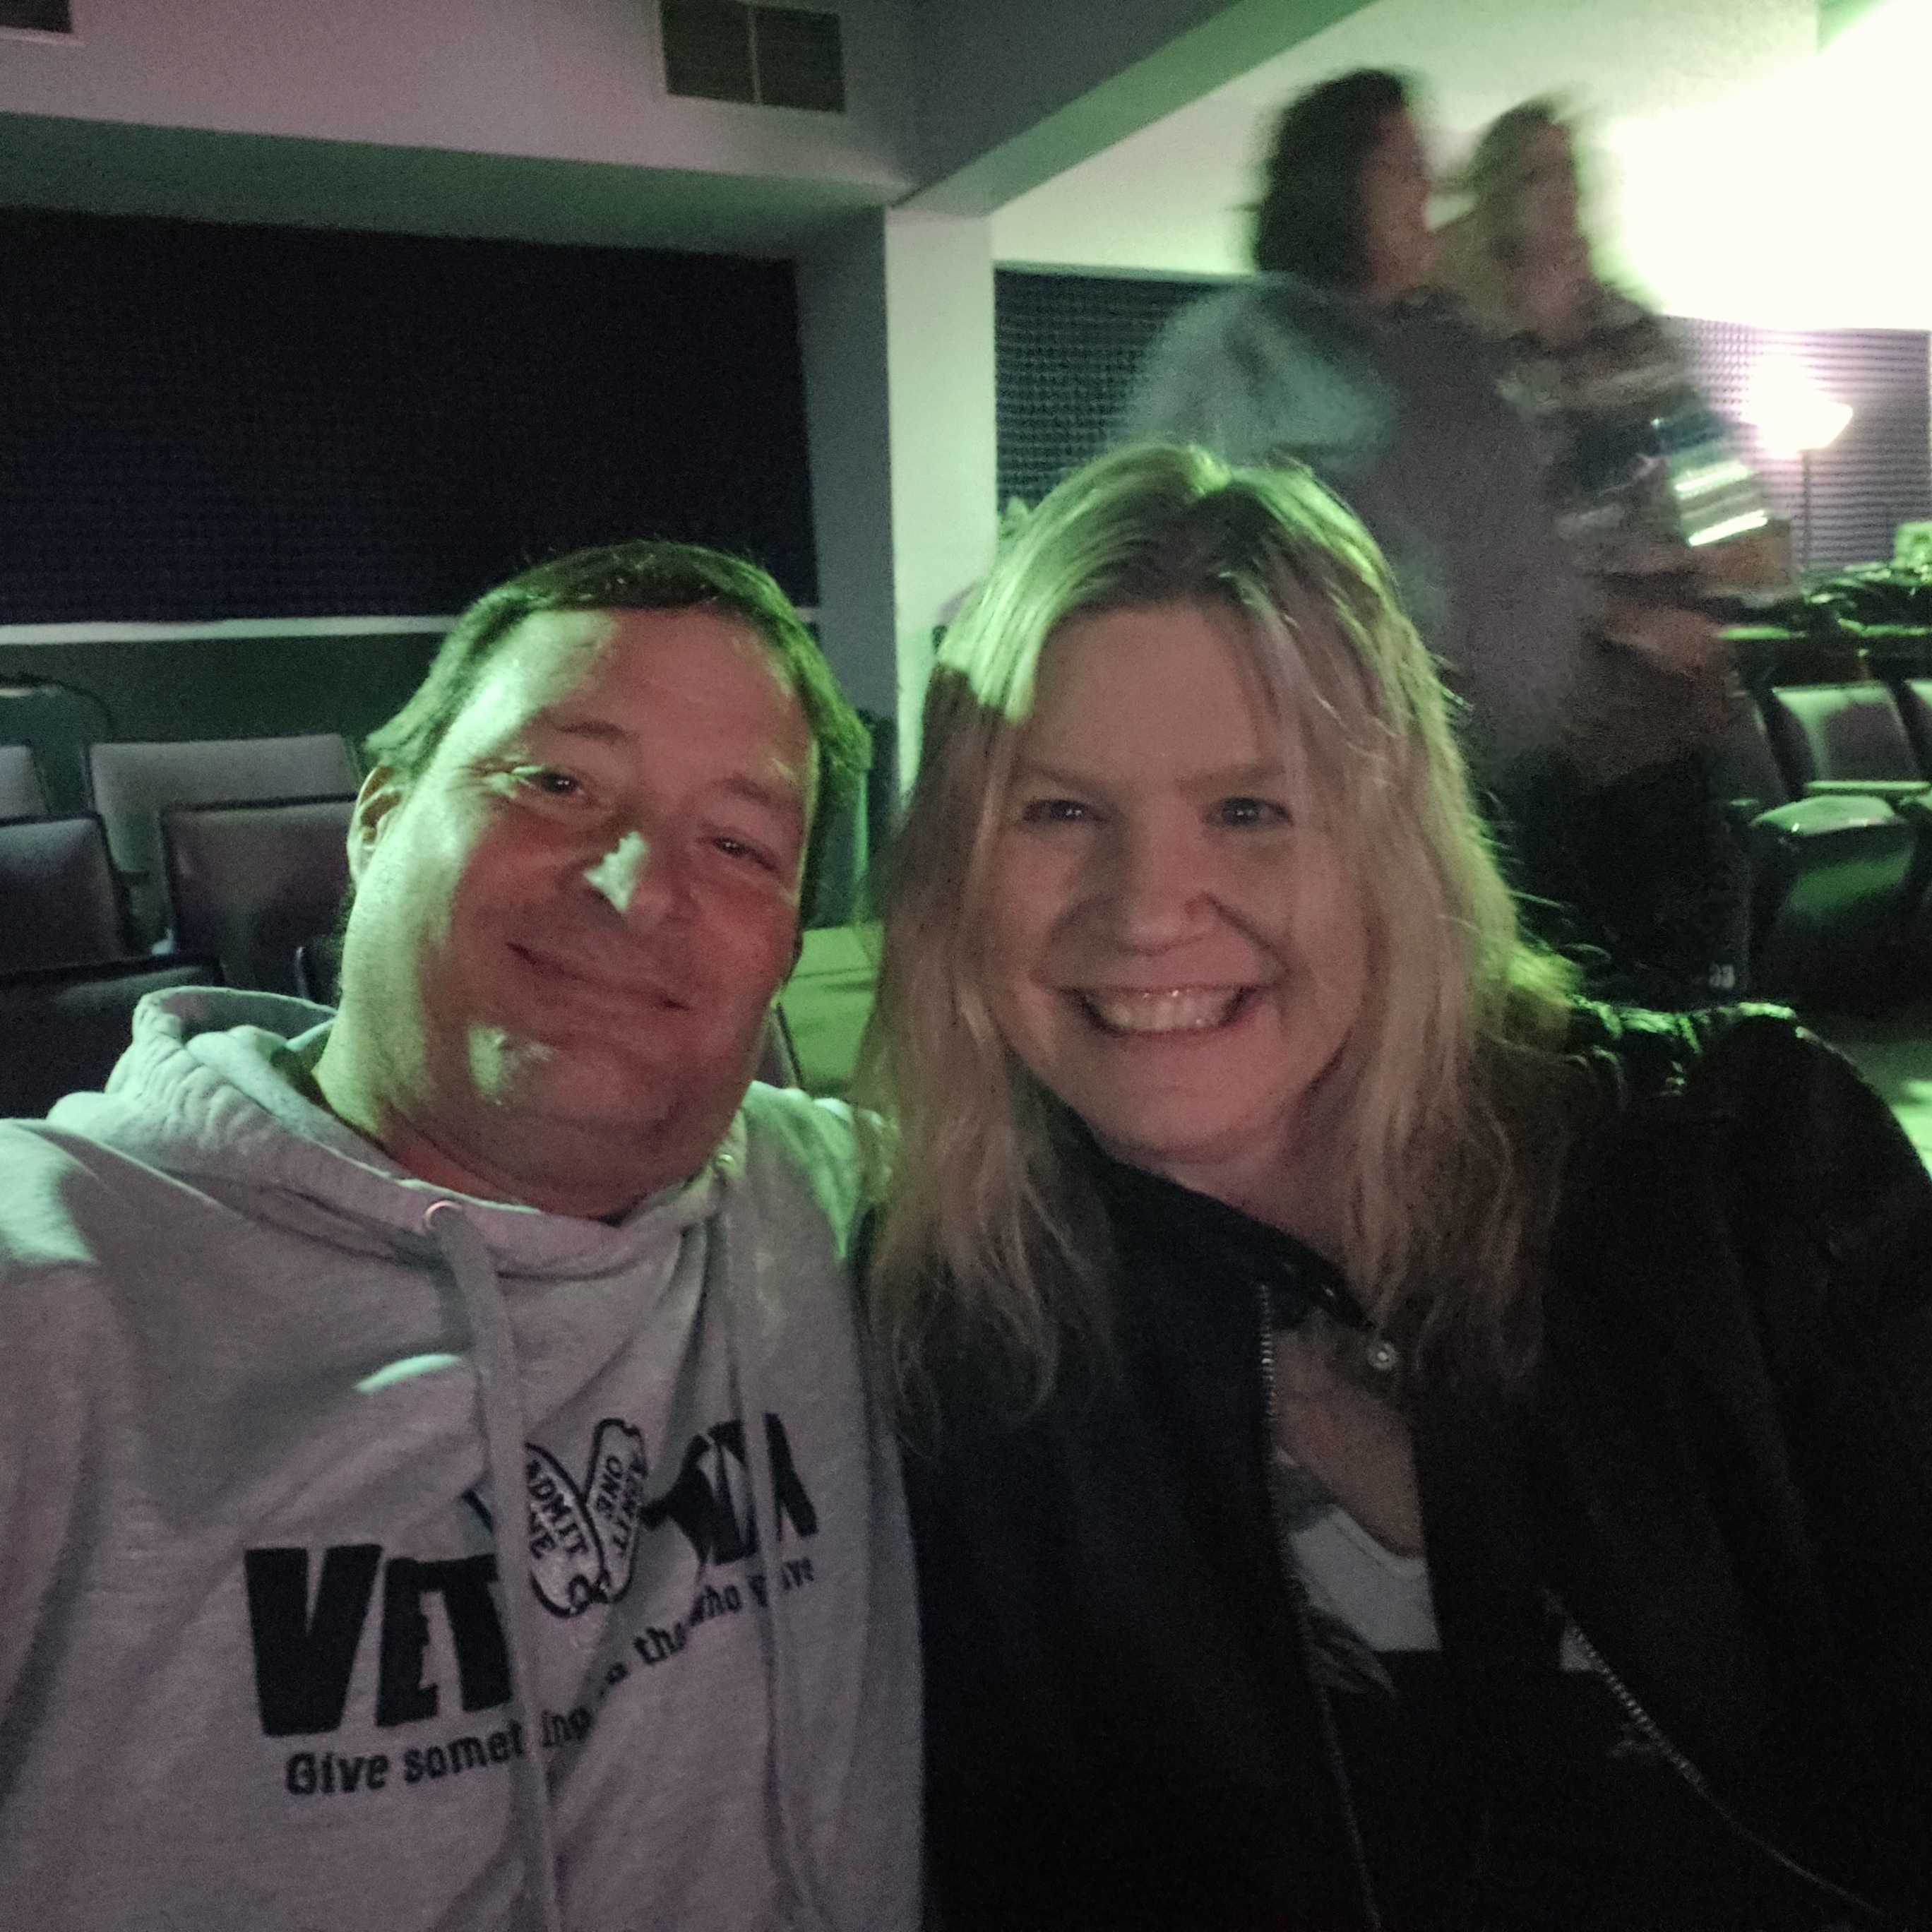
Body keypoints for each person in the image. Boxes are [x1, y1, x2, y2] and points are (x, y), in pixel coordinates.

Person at [861, 443, 1931, 1931]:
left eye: (1249, 808)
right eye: (1058, 812)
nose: (1148, 909)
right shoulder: (957, 1332)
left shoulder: (1747, 1169)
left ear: (1389, 840)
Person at [0, 542, 921, 1931]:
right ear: (378, 819)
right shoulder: (49, 1290)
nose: (637, 885)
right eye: (555, 782)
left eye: (739, 845)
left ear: (787, 951)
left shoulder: (850, 1211)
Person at [1116, 68, 1591, 797]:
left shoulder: (1455, 351)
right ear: (1334, 181)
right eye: (1405, 167)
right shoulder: (1234, 347)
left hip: (1491, 786)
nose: (1430, 189)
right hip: (1322, 775)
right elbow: (1139, 552)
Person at [1433, 99, 1789, 1005]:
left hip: (1669, 718)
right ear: (1494, 196)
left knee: (1698, 979)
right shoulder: (1462, 349)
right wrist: (1618, 616)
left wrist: (1739, 556)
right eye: (1535, 175)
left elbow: (1720, 496)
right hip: (1535, 728)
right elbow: (1471, 544)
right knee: (1555, 991)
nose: (1561, 194)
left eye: (1570, 173)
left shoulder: (1636, 332)